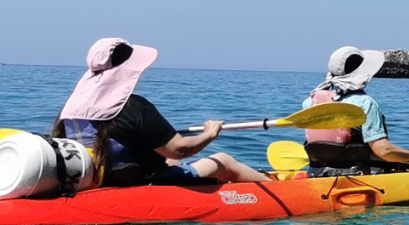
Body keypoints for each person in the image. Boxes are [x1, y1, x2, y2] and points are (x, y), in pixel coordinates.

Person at [53, 37, 269, 187]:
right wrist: (210, 133)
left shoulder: (71, 108)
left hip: (101, 178)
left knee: (170, 162)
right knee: (224, 161)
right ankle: (281, 191)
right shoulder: (134, 107)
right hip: (142, 182)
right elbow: (179, 149)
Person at [302, 46, 409, 171]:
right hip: (364, 174)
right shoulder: (365, 103)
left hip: (318, 172)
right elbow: (383, 151)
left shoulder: (310, 103)